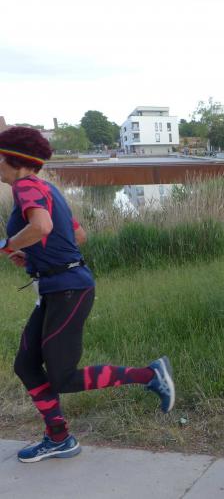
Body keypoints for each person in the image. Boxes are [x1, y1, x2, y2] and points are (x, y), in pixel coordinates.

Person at [0, 127, 175, 463]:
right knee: (26, 364)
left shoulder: (26, 186)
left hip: (68, 289)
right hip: (58, 287)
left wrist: (7, 245)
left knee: (62, 376)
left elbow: (42, 227)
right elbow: (78, 235)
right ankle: (59, 438)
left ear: (15, 161)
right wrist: (33, 255)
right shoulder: (47, 188)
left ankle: (150, 375)